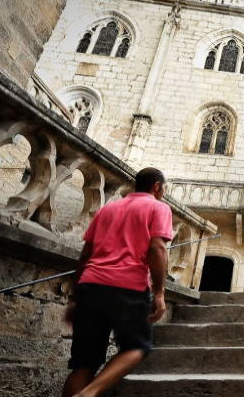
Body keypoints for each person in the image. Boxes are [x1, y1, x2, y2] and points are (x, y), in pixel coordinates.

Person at [62, 168, 174, 397]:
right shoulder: (158, 207)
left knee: (84, 363)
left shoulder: (108, 208)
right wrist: (159, 292)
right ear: (157, 187)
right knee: (136, 347)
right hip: (127, 287)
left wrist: (75, 297)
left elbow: (85, 255)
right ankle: (89, 394)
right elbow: (157, 248)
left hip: (90, 285)